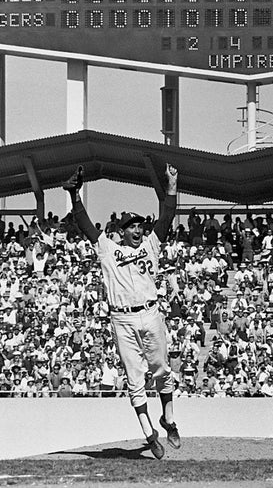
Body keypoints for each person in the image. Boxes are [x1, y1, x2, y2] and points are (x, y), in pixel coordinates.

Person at [62, 162, 181, 460]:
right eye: (131, 226)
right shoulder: (108, 249)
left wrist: (171, 185)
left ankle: (168, 418)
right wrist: (75, 194)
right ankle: (149, 434)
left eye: (140, 225)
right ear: (121, 231)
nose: (138, 230)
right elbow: (85, 223)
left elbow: (167, 215)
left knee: (162, 370)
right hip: (123, 318)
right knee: (134, 379)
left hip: (151, 313)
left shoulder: (152, 244)